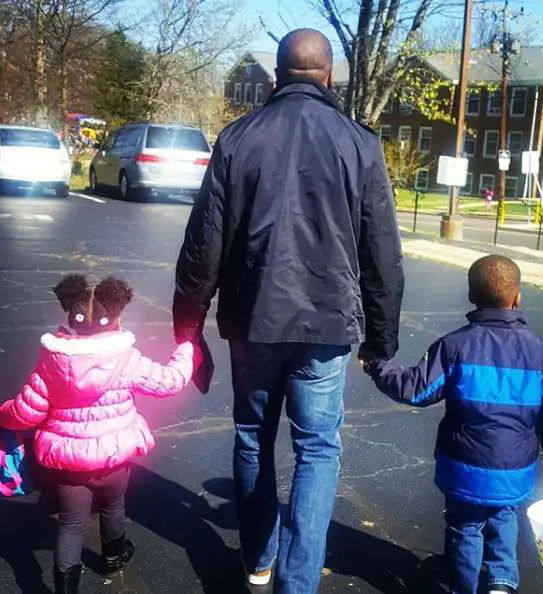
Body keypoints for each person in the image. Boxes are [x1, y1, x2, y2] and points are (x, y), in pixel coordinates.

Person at [173, 28, 404, 593]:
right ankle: (296, 582)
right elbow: (383, 254)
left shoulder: (236, 139)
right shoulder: (359, 143)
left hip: (254, 321)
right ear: (328, 77)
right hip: (325, 324)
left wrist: (187, 327)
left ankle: (258, 560)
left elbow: (204, 245)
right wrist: (381, 341)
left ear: (278, 75)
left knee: (253, 436)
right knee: (317, 448)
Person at [363, 255, 543, 594]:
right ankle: (501, 581)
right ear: (517, 297)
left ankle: (463, 586)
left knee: (465, 528)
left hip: (463, 470)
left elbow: (417, 389)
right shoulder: (539, 352)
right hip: (514, 471)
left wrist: (379, 365)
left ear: (471, 296)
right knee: (504, 518)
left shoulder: (455, 346)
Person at [0, 274, 196, 594]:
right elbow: (169, 381)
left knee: (71, 525)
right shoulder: (126, 358)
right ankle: (113, 558)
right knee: (113, 507)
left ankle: (65, 589)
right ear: (115, 316)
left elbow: (26, 411)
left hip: (69, 465)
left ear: (70, 316)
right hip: (113, 459)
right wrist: (186, 349)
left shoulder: (53, 361)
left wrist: (3, 414)